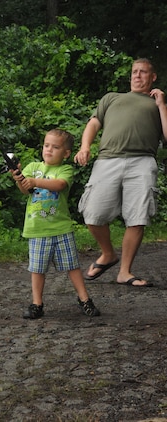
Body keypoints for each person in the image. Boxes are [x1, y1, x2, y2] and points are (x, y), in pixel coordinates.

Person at [74, 58, 167, 287]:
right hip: (108, 160)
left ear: (152, 77)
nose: (137, 75)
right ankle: (108, 254)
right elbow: (94, 124)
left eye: (143, 72)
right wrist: (85, 146)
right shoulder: (111, 98)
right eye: (134, 72)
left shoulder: (156, 104)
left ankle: (124, 272)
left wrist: (162, 105)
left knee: (137, 217)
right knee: (92, 214)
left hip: (142, 162)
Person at [11, 128, 100, 319]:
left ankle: (84, 299)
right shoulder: (32, 167)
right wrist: (19, 178)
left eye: (55, 147)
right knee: (37, 269)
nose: (49, 150)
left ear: (66, 153)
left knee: (72, 266)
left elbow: (59, 185)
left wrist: (34, 181)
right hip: (37, 230)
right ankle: (37, 304)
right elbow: (25, 191)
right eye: (46, 145)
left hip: (61, 229)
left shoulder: (65, 170)